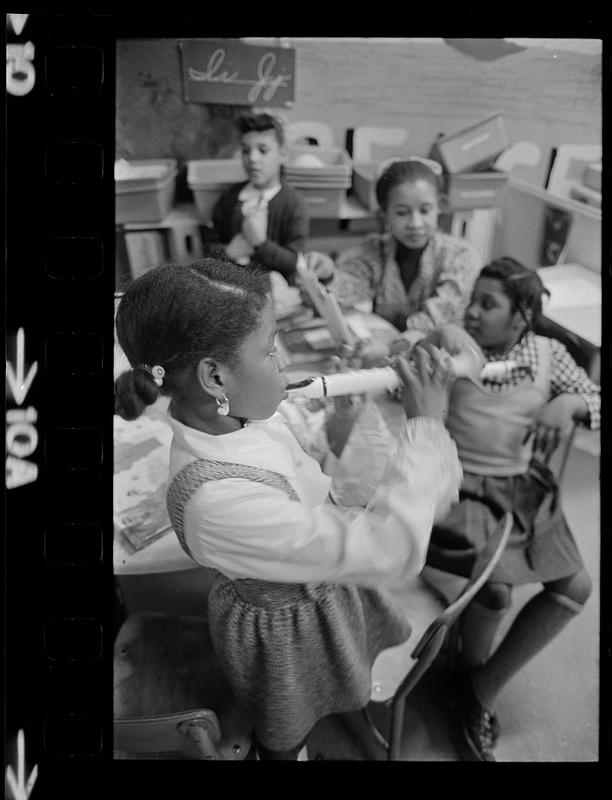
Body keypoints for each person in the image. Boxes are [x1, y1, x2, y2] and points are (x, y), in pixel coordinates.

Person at [113, 258, 462, 761]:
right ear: (214, 376)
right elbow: (389, 551)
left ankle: (333, 721)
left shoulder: (241, 417)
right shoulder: (214, 499)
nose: (281, 365)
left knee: (335, 686)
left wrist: (343, 423)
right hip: (281, 631)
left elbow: (314, 482)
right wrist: (425, 428)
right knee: (285, 724)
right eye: (269, 350)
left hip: (320, 588)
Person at [423, 256, 601, 762]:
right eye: (471, 301)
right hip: (458, 486)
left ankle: (480, 687)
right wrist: (437, 339)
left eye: (488, 304)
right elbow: (400, 370)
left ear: (522, 316)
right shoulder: (456, 347)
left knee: (577, 587)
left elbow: (597, 398)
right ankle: (464, 674)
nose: (473, 312)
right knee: (494, 589)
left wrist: (570, 404)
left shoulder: (550, 354)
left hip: (520, 487)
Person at [331, 157, 481, 364]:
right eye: (402, 213)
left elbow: (438, 318)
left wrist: (388, 347)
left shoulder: (461, 257)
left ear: (441, 206)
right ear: (385, 214)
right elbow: (342, 292)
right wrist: (326, 275)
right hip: (385, 359)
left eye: (425, 210)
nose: (415, 223)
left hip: (439, 363)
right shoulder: (373, 253)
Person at [211, 112, 309, 283]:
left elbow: (293, 261)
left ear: (283, 155)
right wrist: (229, 253)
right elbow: (209, 248)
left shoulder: (294, 204)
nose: (253, 159)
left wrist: (260, 243)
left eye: (263, 150)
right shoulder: (230, 198)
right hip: (232, 286)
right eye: (246, 151)